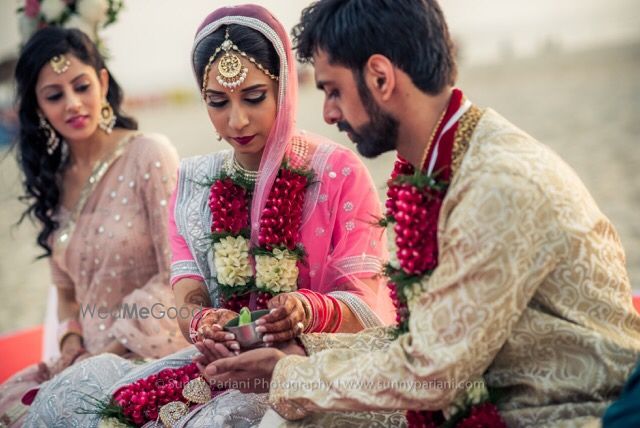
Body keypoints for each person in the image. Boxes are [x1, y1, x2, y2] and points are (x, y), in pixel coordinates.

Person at [201, 0, 640, 426]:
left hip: (572, 410)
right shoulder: (450, 160)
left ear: (380, 77)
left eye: (333, 90)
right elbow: (424, 341)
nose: (329, 113)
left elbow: (432, 373)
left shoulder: (496, 185)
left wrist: (287, 373)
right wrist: (306, 356)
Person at [23, 5, 395, 427]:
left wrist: (305, 311)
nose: (237, 120)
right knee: (66, 400)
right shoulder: (195, 183)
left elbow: (367, 306)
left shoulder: (338, 173)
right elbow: (186, 295)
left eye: (254, 97)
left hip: (310, 369)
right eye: (218, 102)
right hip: (221, 369)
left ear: (285, 89)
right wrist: (204, 322)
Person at [0, 27, 188, 426]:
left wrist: (110, 349)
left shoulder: (147, 155)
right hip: (83, 357)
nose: (72, 104)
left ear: (102, 82)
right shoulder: (54, 179)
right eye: (54, 95)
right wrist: (71, 342)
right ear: (36, 107)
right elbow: (66, 290)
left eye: (81, 86)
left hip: (148, 352)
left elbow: (178, 272)